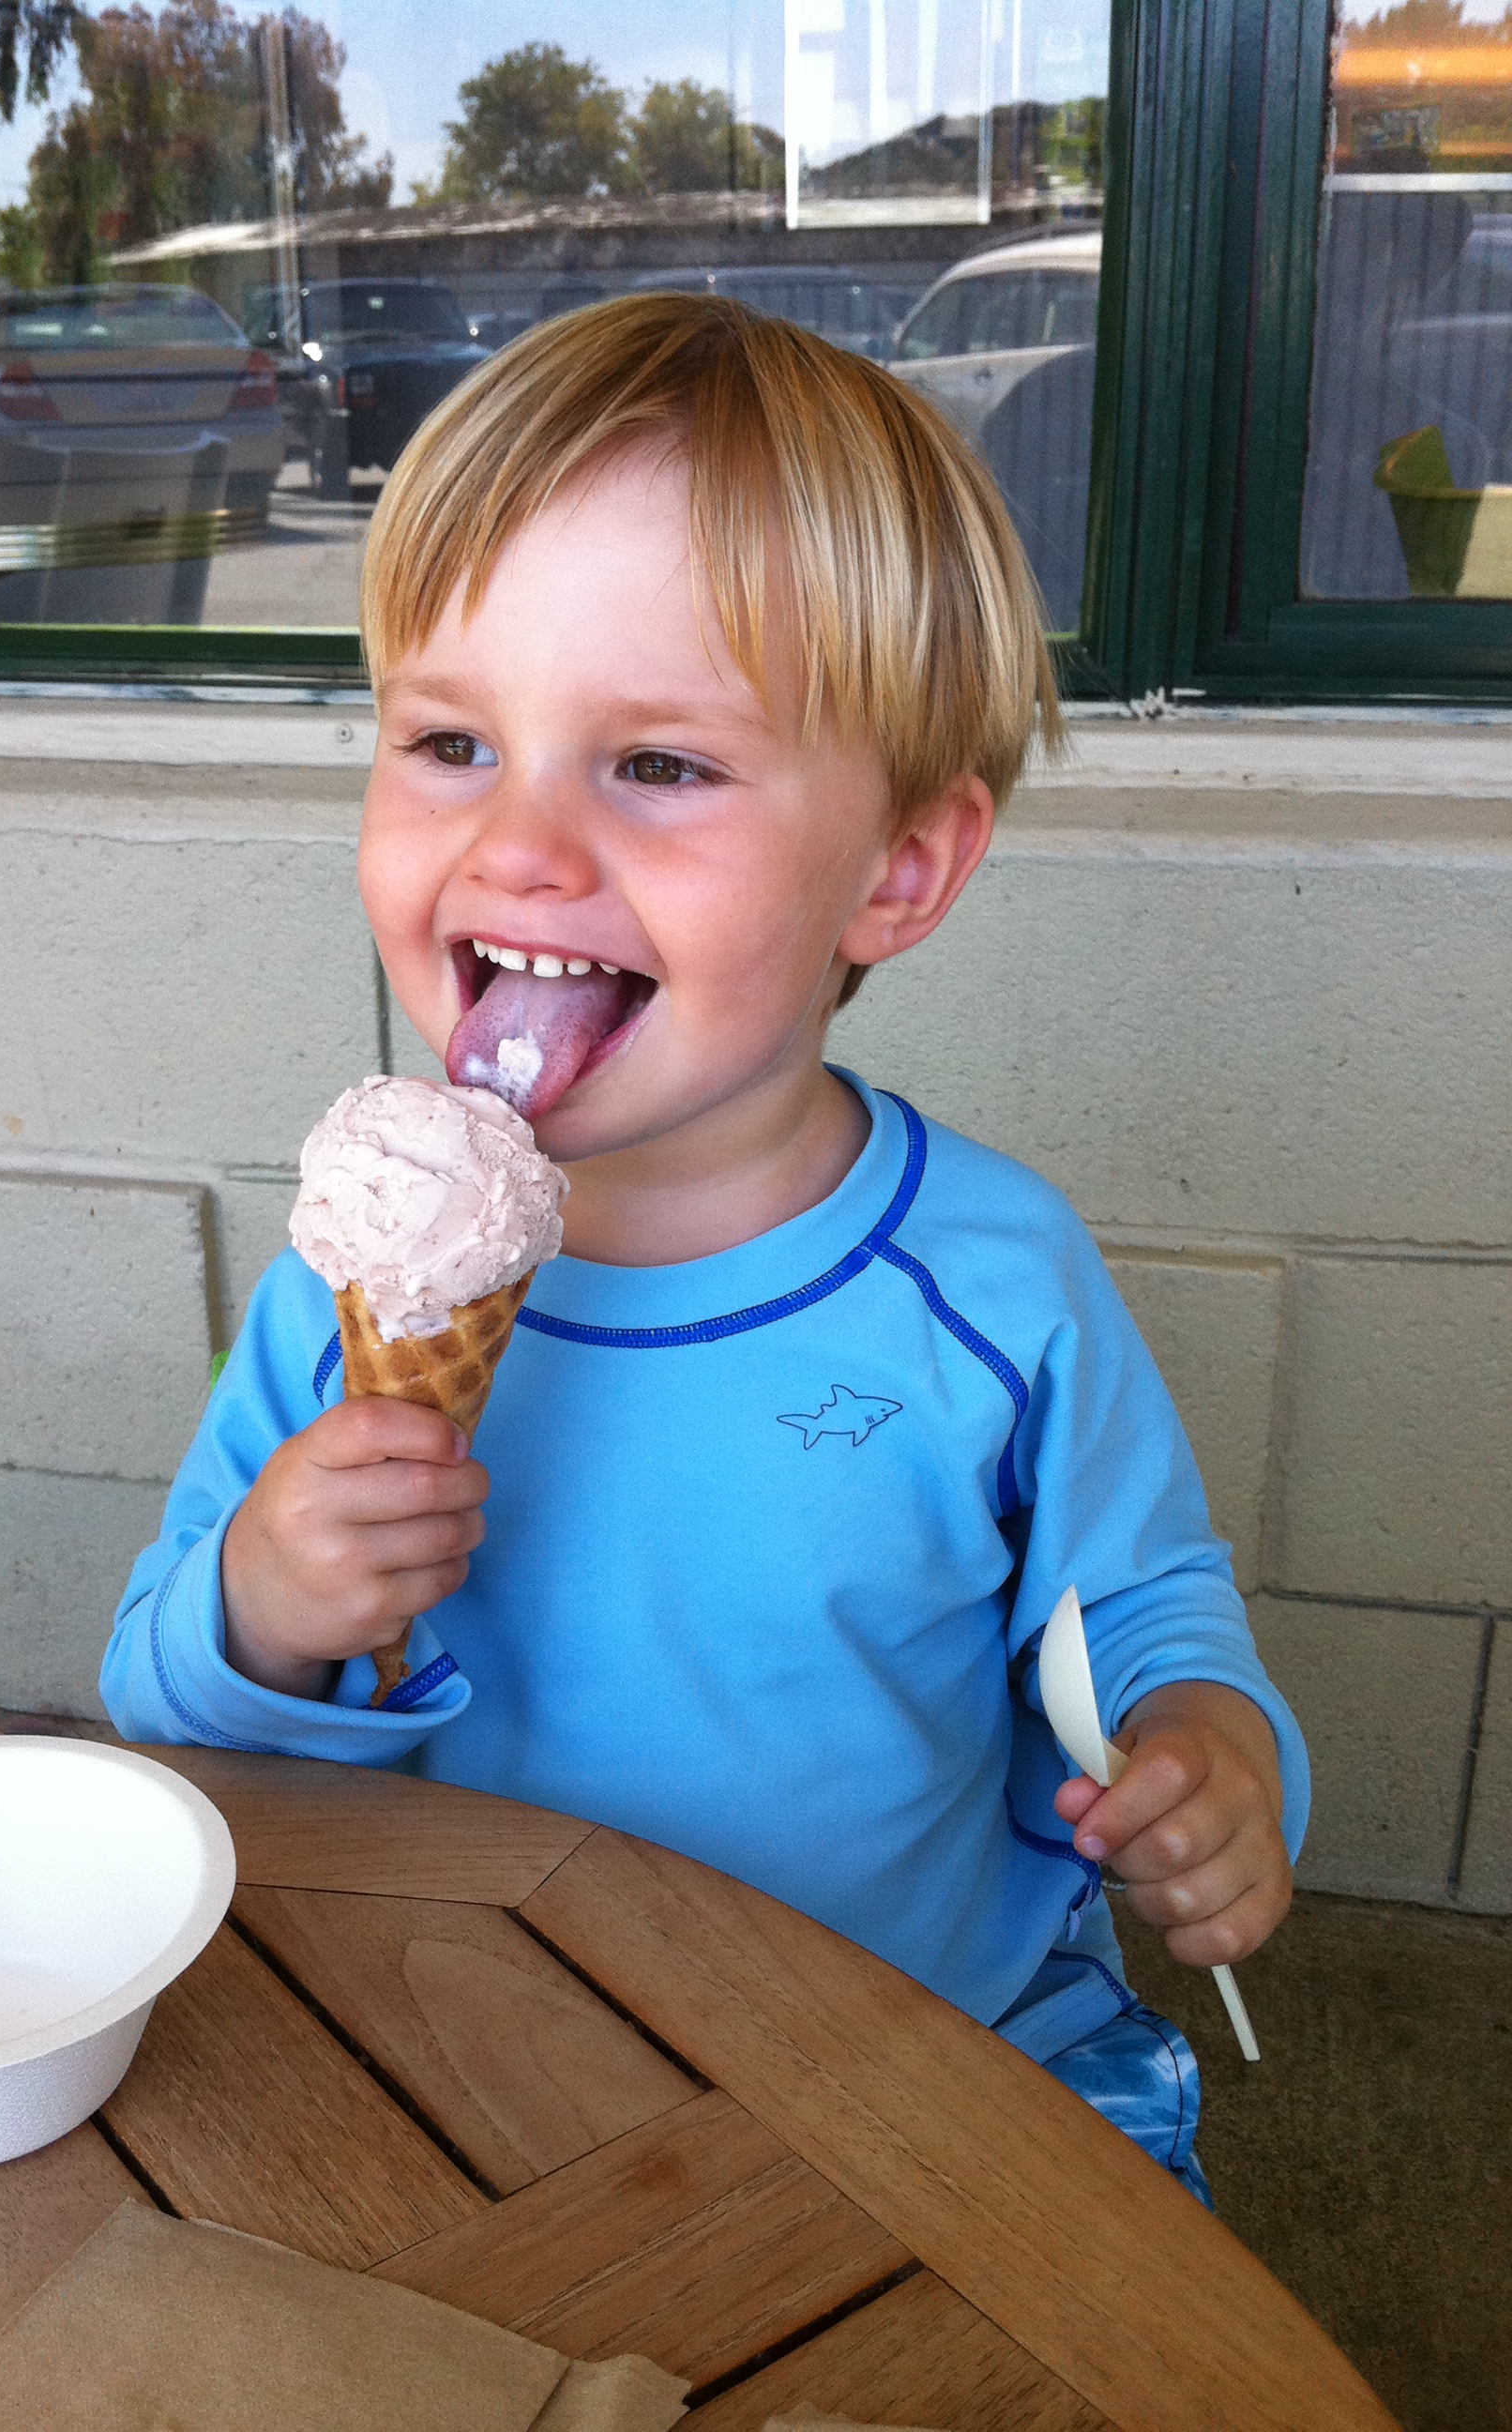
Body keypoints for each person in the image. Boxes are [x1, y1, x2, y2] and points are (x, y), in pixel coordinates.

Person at [102, 294, 1305, 2205]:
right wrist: (261, 1600)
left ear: (896, 870)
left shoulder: (992, 1285)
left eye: (657, 764)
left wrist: (1209, 1752)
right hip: (475, 2056)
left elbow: (1137, 1607)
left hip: (920, 2054)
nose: (517, 846)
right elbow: (160, 1695)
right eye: (449, 740)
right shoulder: (349, 1286)